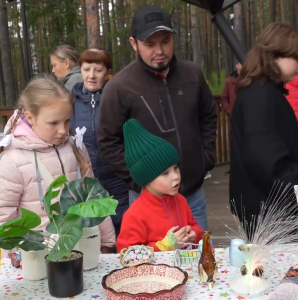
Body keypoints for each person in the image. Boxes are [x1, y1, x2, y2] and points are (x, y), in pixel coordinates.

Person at [97, 5, 217, 231]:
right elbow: (107, 140)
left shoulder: (193, 75)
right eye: (150, 44)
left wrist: (205, 158)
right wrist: (139, 179)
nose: (159, 50)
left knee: (197, 259)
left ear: (173, 38)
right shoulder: (119, 87)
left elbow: (209, 117)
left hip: (192, 196)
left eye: (165, 41)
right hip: (148, 202)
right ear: (134, 43)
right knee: (152, 263)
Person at [0, 76, 115, 254]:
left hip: (82, 247)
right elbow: (0, 217)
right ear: (30, 117)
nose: (63, 130)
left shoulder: (75, 147)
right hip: (35, 256)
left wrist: (107, 241)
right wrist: (10, 261)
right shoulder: (11, 160)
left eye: (67, 120)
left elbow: (93, 197)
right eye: (54, 123)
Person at [230, 23, 298, 222]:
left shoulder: (264, 91)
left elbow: (268, 134)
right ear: (274, 55)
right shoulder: (260, 95)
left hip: (273, 205)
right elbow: (265, 159)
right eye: (297, 58)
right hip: (270, 211)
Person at [116, 119, 202, 252]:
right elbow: (128, 252)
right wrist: (163, 246)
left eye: (176, 168)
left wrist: (194, 235)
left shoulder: (181, 201)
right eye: (165, 173)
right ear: (146, 178)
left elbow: (194, 226)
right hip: (154, 272)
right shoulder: (135, 215)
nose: (175, 176)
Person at [71, 49, 129, 237]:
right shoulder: (70, 102)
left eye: (98, 70)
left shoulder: (118, 99)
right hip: (88, 185)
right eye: (87, 69)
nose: (92, 75)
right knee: (97, 239)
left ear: (108, 73)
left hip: (120, 181)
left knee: (126, 235)